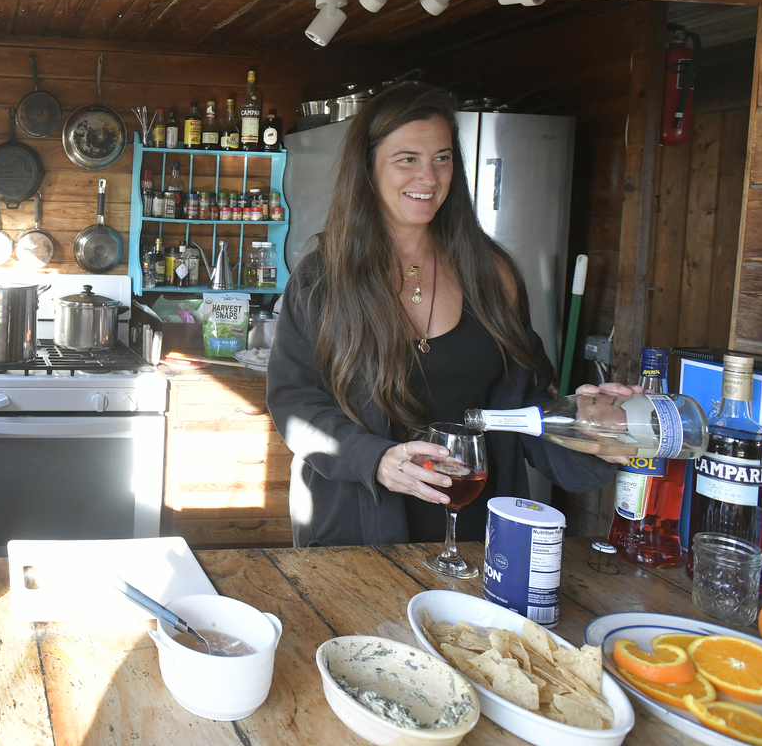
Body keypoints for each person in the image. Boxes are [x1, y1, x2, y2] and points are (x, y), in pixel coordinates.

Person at [266, 82, 625, 547]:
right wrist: (374, 458)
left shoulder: (491, 273)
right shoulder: (324, 278)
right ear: (368, 169)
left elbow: (527, 409)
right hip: (355, 534)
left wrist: (587, 428)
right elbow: (295, 402)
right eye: (407, 159)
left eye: (442, 157)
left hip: (477, 538)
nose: (429, 177)